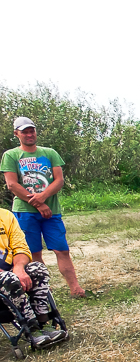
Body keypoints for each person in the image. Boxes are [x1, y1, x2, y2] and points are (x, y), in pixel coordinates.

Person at [1, 117, 86, 298]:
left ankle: (75, 289)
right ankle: (43, 291)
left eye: (32, 130)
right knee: (33, 253)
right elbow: (12, 185)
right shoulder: (11, 155)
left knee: (62, 249)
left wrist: (43, 197)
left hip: (52, 211)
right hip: (24, 212)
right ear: (16, 133)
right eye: (25, 131)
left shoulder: (49, 153)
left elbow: (59, 180)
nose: (29, 134)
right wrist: (39, 204)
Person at [0, 207, 66, 348]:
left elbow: (21, 248)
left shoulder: (5, 216)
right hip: (5, 278)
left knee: (38, 269)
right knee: (8, 279)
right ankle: (32, 329)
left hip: (10, 270)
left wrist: (19, 268)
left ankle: (44, 323)